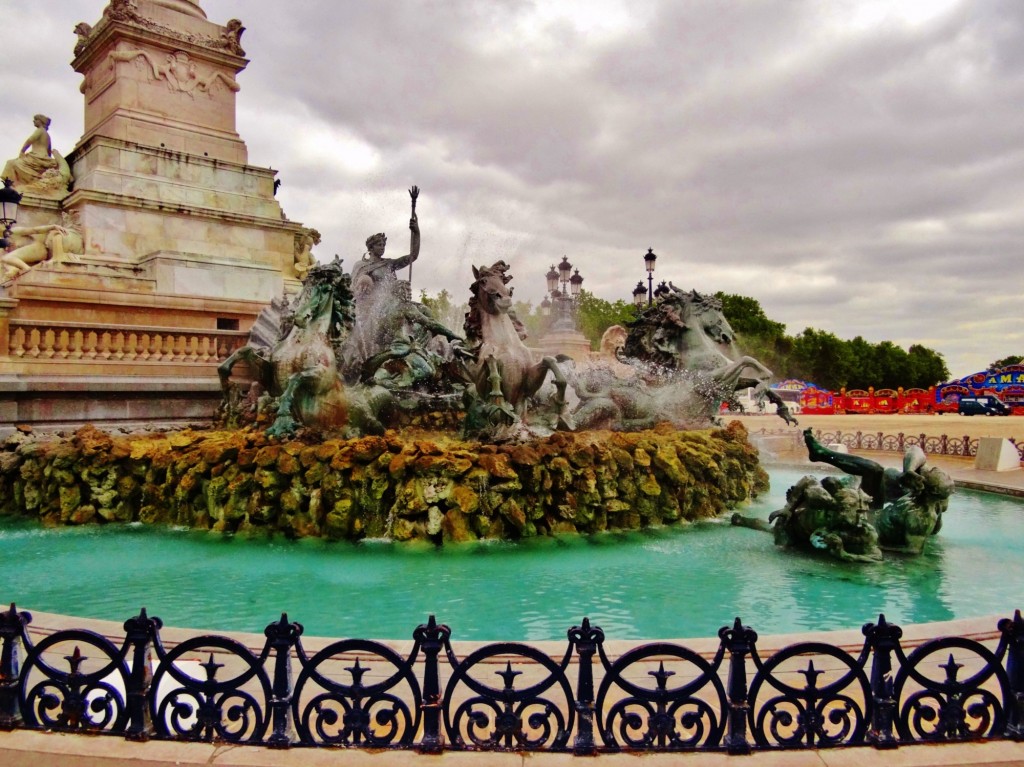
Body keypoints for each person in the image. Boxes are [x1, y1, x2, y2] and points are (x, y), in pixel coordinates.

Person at [2, 115, 73, 196]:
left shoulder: (40, 130)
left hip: (36, 157)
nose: (34, 121)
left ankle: (12, 185)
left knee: (11, 163)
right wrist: (47, 161)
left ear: (41, 121)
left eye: (36, 119)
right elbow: (49, 151)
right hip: (43, 158)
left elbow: (30, 140)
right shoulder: (47, 135)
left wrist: (22, 151)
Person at [1, 213, 83, 279]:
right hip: (32, 252)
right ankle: (14, 270)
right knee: (5, 260)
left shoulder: (12, 232)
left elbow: (34, 230)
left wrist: (52, 227)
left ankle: (28, 270)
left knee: (5, 258)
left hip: (39, 249)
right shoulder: (5, 240)